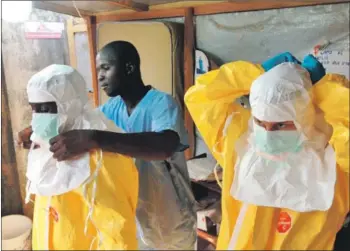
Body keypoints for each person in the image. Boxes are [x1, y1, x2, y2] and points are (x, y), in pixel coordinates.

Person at [18, 41, 197, 250]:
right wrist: (39, 127)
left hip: (169, 211)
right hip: (137, 209)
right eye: (98, 70)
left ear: (129, 68)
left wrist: (95, 138)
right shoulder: (113, 108)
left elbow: (165, 145)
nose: (100, 76)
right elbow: (79, 119)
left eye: (105, 68)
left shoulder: (162, 104)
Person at [185, 55, 349, 250]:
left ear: (304, 118)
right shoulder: (239, 145)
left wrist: (324, 89)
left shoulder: (334, 160)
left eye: (281, 124)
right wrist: (255, 74)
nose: (268, 134)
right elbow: (202, 97)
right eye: (260, 123)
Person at [25, 64, 139, 250]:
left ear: (68, 106)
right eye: (34, 109)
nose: (37, 118)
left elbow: (118, 237)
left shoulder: (100, 161)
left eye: (45, 108)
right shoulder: (44, 150)